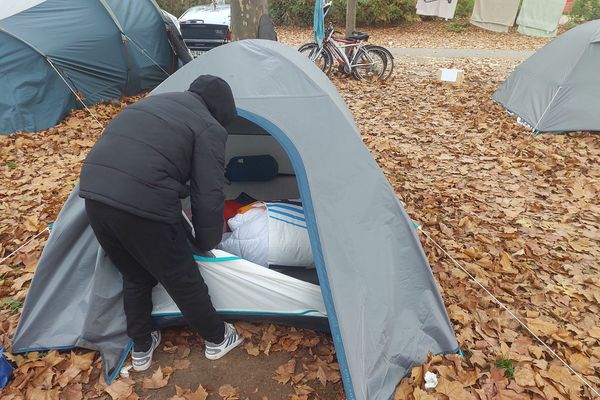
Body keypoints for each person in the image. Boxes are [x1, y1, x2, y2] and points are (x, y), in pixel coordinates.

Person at [79, 75, 243, 371]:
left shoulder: (153, 103)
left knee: (134, 274)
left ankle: (141, 345)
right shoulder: (209, 126)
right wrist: (206, 243)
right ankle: (218, 338)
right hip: (143, 201)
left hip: (94, 196)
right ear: (222, 109)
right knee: (181, 276)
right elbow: (208, 191)